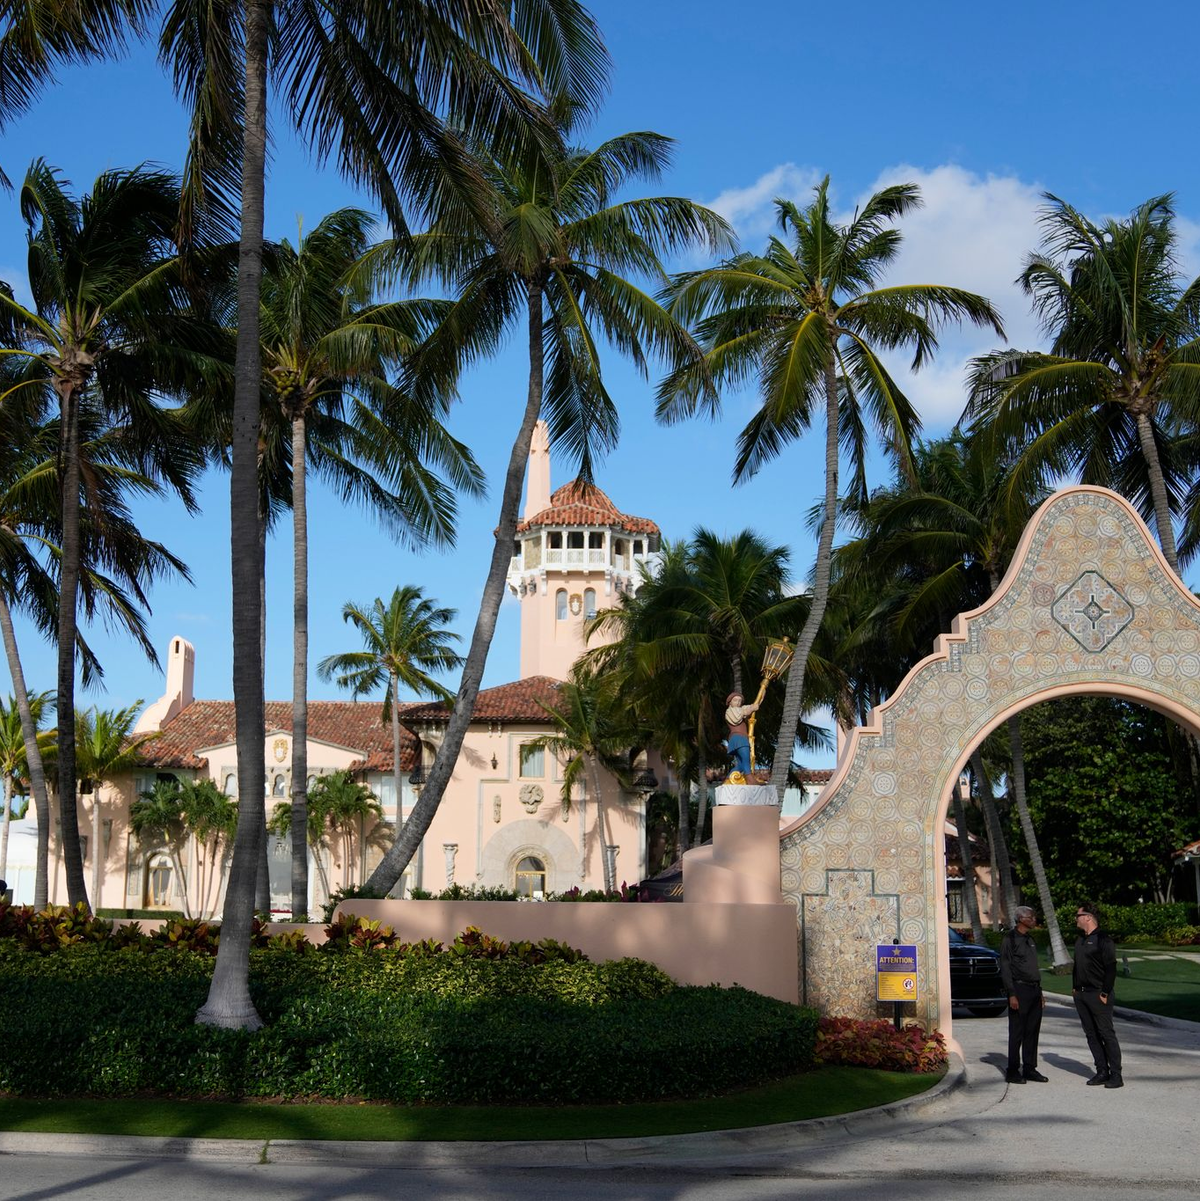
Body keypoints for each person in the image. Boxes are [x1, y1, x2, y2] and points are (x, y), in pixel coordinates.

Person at [1073, 902, 1123, 1088]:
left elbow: (1111, 968)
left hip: (1098, 994)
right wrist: (1075, 988)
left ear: (1088, 917)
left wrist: (1105, 992)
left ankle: (1116, 1075)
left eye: (1078, 916)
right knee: (1091, 1034)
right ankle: (1102, 1071)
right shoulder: (1080, 940)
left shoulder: (1103, 940)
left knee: (1106, 1034)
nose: (1076, 919)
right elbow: (1077, 966)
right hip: (1081, 994)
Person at [999, 905, 1047, 1083]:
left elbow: (1032, 968)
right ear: (1021, 919)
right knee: (1017, 1031)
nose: (1034, 920)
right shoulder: (1010, 939)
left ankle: (1030, 1068)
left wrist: (1040, 992)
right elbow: (1005, 967)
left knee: (1032, 1031)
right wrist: (1011, 993)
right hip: (1019, 990)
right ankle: (1012, 1070)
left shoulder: (1030, 939)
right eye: (1031, 917)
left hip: (1034, 990)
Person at [724, 692, 760, 777]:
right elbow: (736, 718)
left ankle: (729, 779)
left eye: (740, 701)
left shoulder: (741, 709)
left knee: (741, 765)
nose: (738, 702)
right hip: (738, 738)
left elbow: (752, 706)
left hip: (743, 737)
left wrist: (763, 690)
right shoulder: (730, 711)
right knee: (746, 758)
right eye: (735, 700)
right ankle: (749, 777)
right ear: (730, 702)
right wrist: (750, 710)